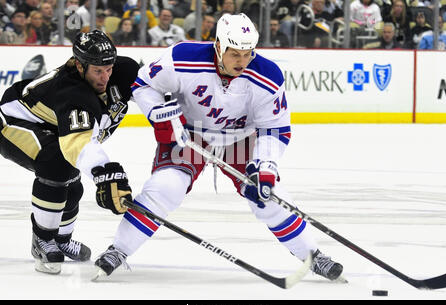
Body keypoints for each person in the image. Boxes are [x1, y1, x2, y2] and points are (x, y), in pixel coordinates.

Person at [94, 13, 344, 282]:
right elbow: (144, 85)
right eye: (235, 54)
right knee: (166, 187)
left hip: (239, 139)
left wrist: (265, 166)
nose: (242, 62)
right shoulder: (182, 57)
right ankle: (118, 250)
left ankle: (313, 255)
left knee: (268, 197)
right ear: (218, 46)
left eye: (248, 54)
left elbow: (275, 129)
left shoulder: (268, 75)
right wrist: (160, 114)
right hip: (190, 136)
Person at [0, 30, 138, 275]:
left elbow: (153, 84)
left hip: (52, 123)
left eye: (109, 69)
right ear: (79, 65)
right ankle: (43, 240)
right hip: (12, 121)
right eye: (97, 70)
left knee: (73, 184)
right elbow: (79, 144)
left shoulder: (123, 70)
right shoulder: (73, 93)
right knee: (58, 165)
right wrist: (104, 174)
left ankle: (61, 240)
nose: (105, 76)